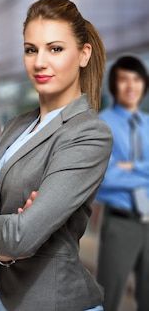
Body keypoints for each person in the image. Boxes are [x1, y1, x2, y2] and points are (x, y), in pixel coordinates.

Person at [0, 0, 113, 310]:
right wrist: (1, 252)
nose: (40, 62)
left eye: (55, 49)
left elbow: (18, 236)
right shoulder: (16, 126)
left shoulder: (89, 134)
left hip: (51, 301)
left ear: (83, 54)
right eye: (31, 49)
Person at [95, 55, 149, 311]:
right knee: (109, 299)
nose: (131, 86)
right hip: (120, 223)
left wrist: (134, 167)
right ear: (114, 86)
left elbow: (118, 174)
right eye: (124, 79)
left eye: (136, 79)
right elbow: (103, 177)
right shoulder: (103, 124)